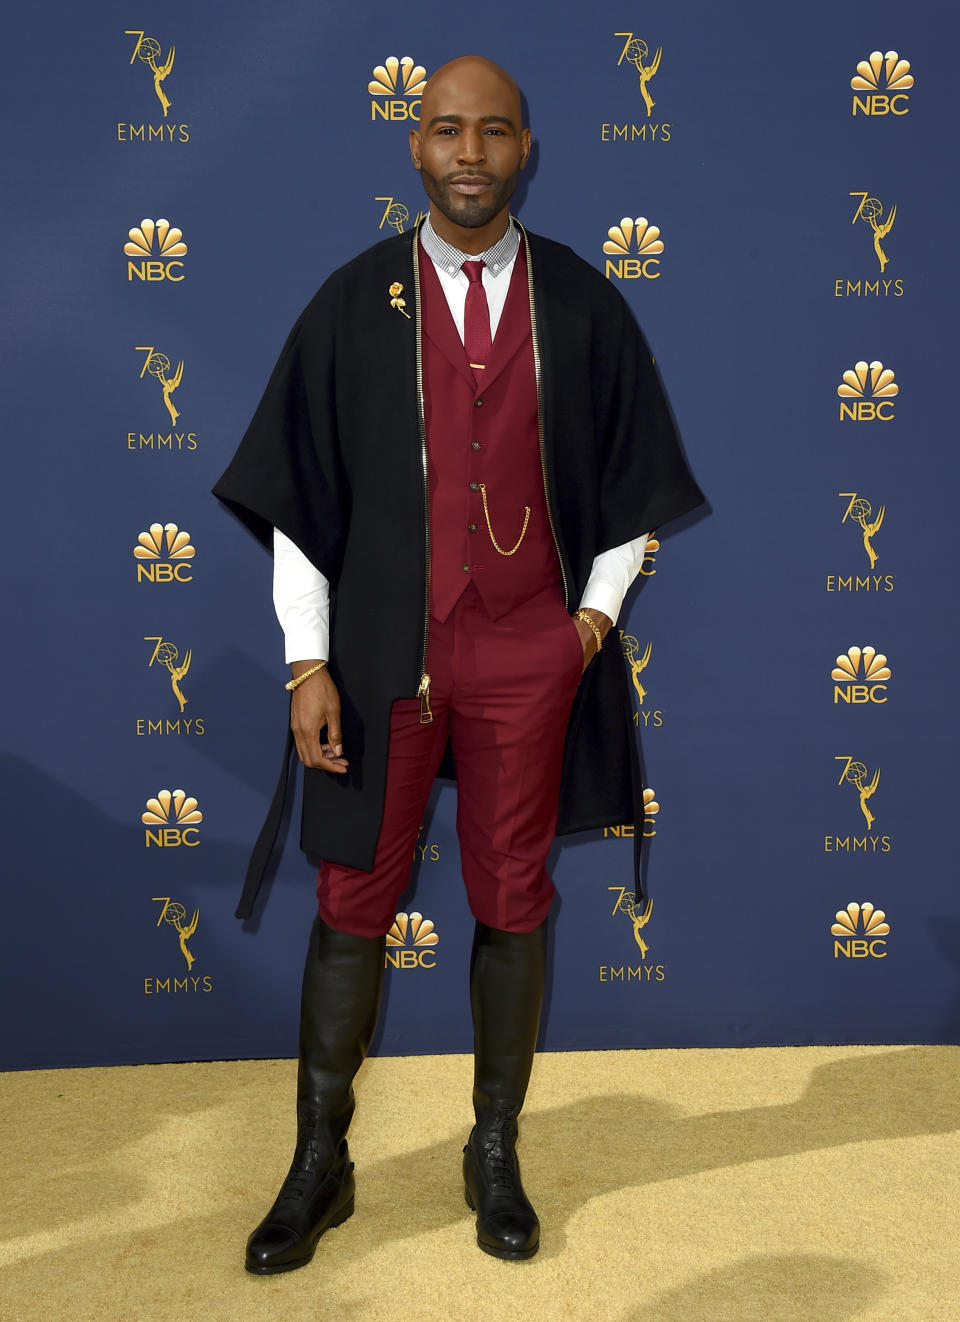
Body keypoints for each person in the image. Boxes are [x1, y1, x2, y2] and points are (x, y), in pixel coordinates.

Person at [213, 54, 703, 1275]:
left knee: (511, 896)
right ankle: (320, 1162)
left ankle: (495, 1148)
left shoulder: (582, 306)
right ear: (413, 148)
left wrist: (585, 626)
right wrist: (304, 661)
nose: (470, 153)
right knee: (352, 901)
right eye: (447, 131)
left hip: (527, 654)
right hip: (380, 655)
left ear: (526, 149)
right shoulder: (351, 300)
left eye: (494, 132)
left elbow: (639, 489)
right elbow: (296, 500)